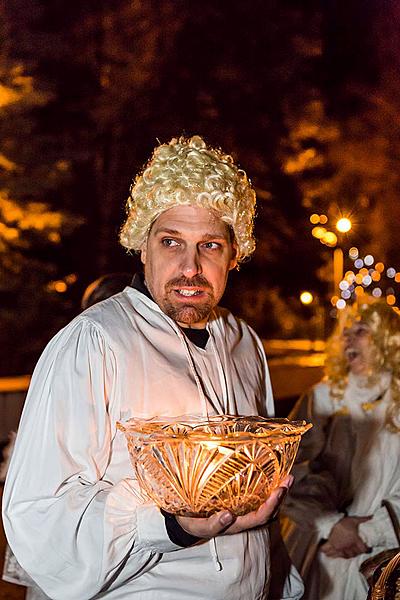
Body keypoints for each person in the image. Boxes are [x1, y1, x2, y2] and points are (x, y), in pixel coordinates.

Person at [2, 135, 302, 600]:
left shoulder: (245, 343)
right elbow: (41, 514)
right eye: (171, 242)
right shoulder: (95, 342)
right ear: (142, 248)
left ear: (234, 255)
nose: (190, 266)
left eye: (210, 246)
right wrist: (171, 525)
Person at [280, 298, 400, 599]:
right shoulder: (321, 398)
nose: (349, 338)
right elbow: (284, 470)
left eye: (361, 330)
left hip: (384, 562)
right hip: (320, 552)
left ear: (388, 339)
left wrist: (366, 533)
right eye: (346, 331)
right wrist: (331, 525)